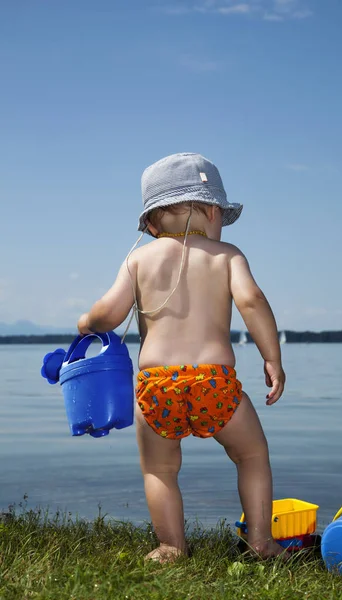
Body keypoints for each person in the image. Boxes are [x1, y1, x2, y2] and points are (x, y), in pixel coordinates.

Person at [77, 153, 286, 562]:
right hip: (215, 383)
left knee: (160, 470)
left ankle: (171, 545)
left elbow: (110, 313)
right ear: (212, 211)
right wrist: (271, 358)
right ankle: (260, 542)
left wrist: (87, 321)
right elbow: (253, 301)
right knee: (252, 455)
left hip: (157, 388)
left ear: (152, 224)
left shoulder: (139, 259)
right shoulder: (227, 255)